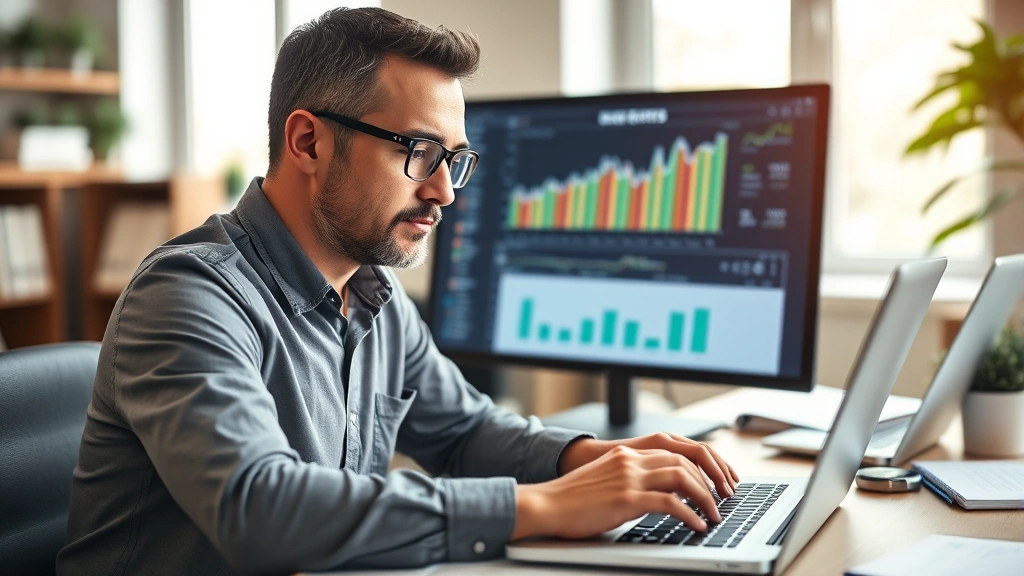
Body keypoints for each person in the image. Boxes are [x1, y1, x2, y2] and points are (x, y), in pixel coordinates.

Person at [57, 7, 739, 575]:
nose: (444, 191)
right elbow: (258, 509)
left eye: (454, 159)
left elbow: (464, 431)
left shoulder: (374, 297)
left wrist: (590, 460)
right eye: (418, 151)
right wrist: (546, 505)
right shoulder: (189, 295)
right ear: (308, 142)